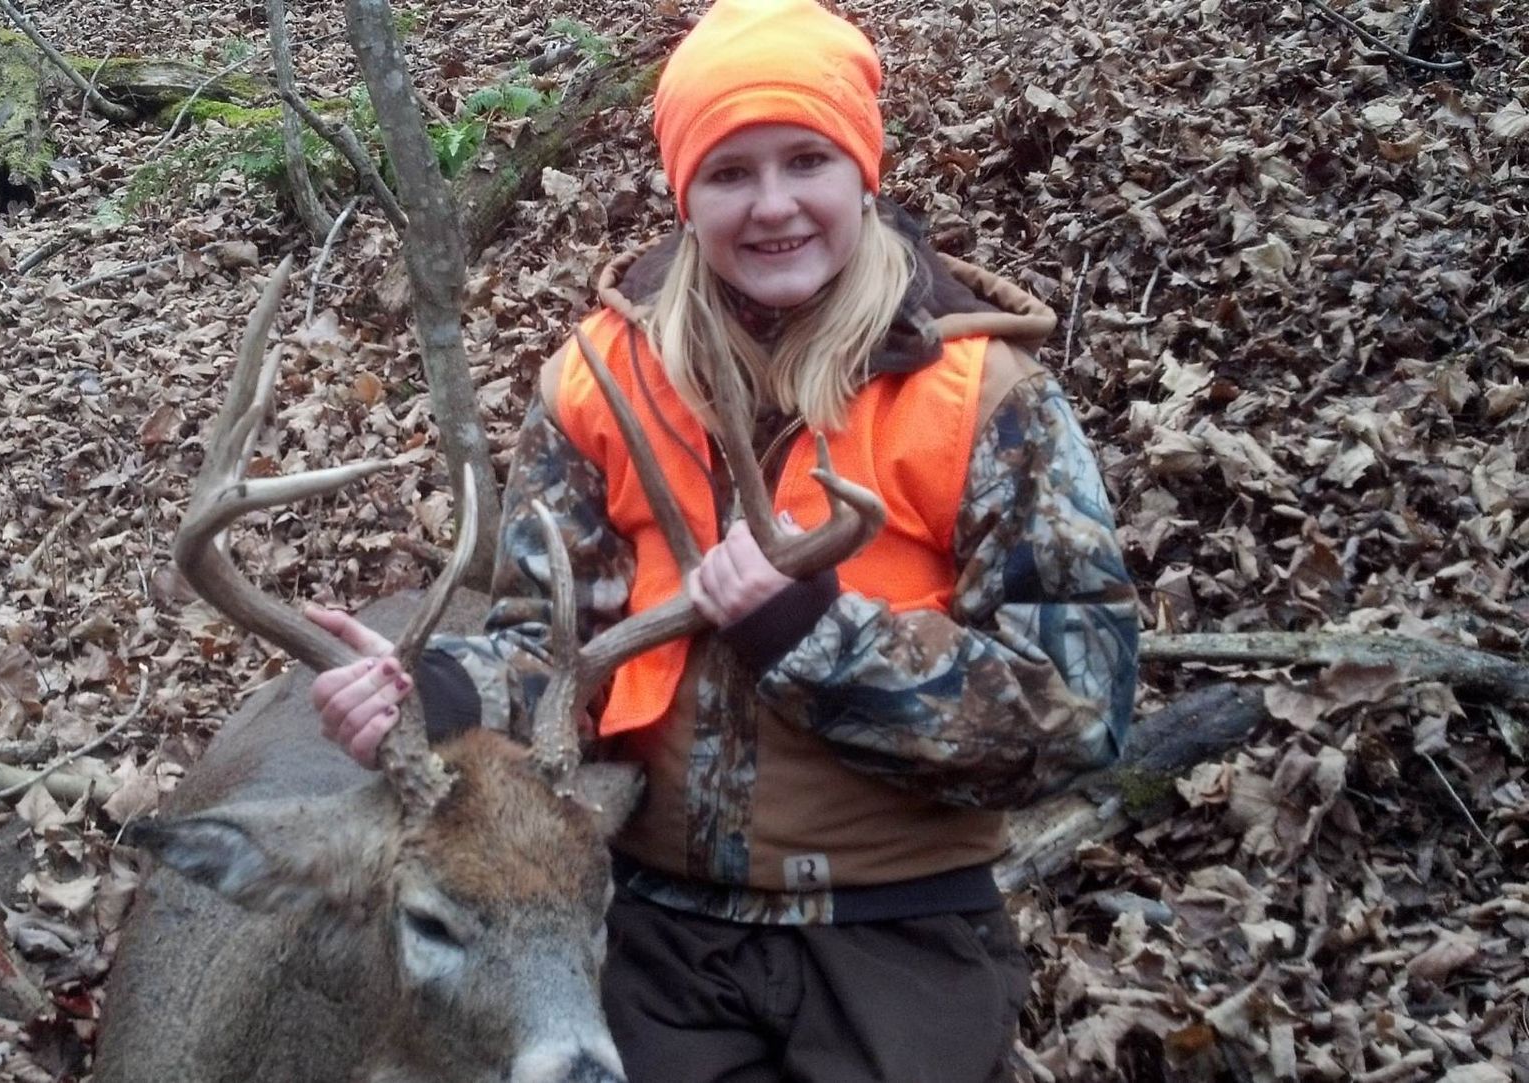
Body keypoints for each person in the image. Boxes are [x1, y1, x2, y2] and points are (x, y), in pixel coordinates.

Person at [304, 0, 1139, 1078]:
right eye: (730, 172)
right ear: (684, 194)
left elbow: (1079, 715)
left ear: (864, 173)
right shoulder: (601, 383)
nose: (774, 205)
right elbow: (551, 648)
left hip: (896, 934)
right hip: (651, 935)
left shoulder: (983, 398)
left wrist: (815, 638)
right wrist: (431, 699)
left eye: (807, 160)